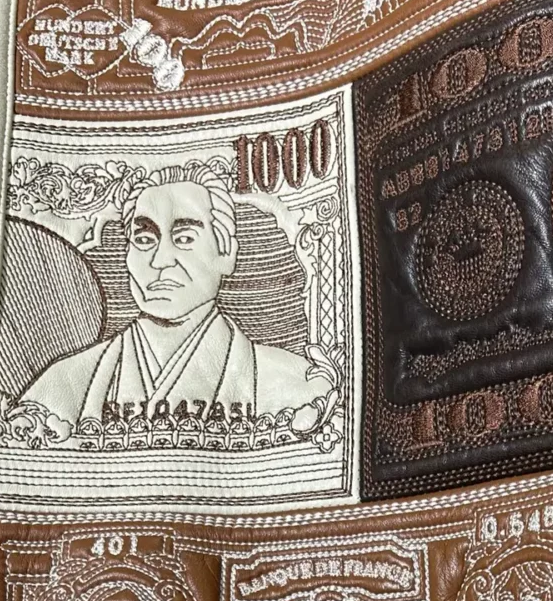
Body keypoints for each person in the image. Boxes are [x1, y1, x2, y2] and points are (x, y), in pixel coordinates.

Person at [21, 165, 329, 425]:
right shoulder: (61, 387)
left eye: (184, 238)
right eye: (144, 239)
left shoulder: (301, 389)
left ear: (226, 253)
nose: (160, 260)